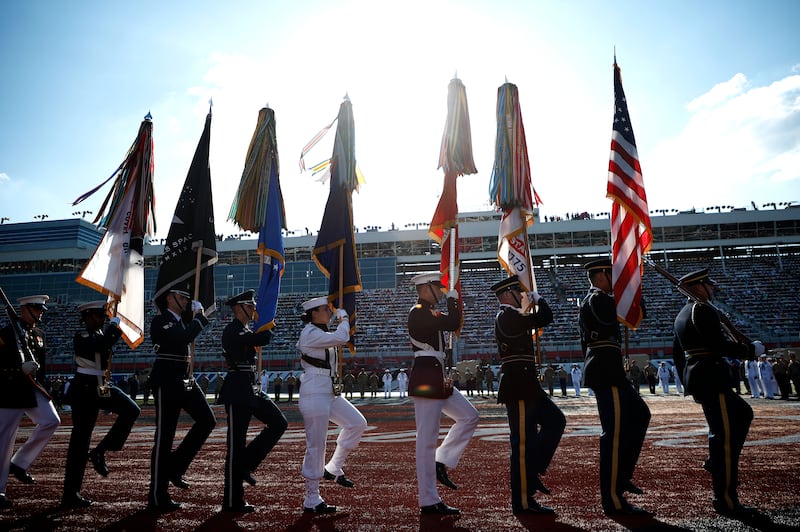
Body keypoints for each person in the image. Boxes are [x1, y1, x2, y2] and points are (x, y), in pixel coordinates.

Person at [673, 268, 766, 519]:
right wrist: (749, 352)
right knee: (723, 437)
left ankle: (717, 461)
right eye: (708, 285)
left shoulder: (683, 314)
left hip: (701, 378)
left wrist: (688, 383)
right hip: (711, 377)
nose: (712, 289)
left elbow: (677, 355)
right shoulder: (701, 310)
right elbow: (717, 345)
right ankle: (725, 499)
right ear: (698, 286)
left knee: (743, 414)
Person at [579, 259, 651, 515]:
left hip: (610, 370)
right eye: (612, 276)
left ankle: (622, 475)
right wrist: (629, 288)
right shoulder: (595, 299)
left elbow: (635, 312)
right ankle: (613, 498)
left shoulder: (601, 300)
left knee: (641, 415)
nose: (615, 281)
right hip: (605, 371)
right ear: (600, 277)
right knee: (614, 434)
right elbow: (628, 310)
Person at [491, 276, 565, 515]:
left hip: (527, 385)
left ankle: (532, 471)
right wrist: (540, 300)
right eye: (517, 292)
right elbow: (546, 317)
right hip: (519, 386)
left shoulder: (513, 317)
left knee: (556, 421)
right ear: (505, 295)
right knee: (522, 445)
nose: (522, 296)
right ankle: (522, 501)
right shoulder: (507, 316)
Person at [407, 272, 479, 515]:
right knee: (426, 441)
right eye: (438, 287)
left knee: (469, 416)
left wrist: (451, 300)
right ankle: (428, 499)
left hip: (436, 375)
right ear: (426, 288)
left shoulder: (426, 312)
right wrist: (453, 301)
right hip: (426, 376)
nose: (440, 290)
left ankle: (442, 458)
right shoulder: (418, 311)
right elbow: (451, 322)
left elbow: (450, 322)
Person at [61, 301, 141, 508]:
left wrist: (112, 328)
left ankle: (101, 450)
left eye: (102, 316)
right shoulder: (82, 337)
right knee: (80, 441)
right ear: (86, 317)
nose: (102, 319)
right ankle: (71, 493)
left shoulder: (100, 335)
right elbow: (101, 346)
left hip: (102, 386)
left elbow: (105, 345)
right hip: (85, 390)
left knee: (131, 409)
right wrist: (114, 328)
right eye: (97, 316)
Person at [147, 285, 216, 511]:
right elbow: (181, 339)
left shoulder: (180, 321)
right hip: (166, 381)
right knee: (165, 437)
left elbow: (184, 335)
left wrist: (195, 320)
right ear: (170, 298)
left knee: (208, 420)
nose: (186, 301)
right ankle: (157, 495)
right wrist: (199, 319)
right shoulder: (161, 320)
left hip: (184, 379)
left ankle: (176, 467)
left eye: (187, 298)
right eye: (182, 297)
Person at [296, 296, 367, 514]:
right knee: (316, 445)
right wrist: (343, 316)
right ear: (313, 313)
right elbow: (342, 336)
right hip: (314, 390)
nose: (329, 311)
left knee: (357, 423)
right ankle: (312, 498)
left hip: (327, 390)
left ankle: (333, 466)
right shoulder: (310, 333)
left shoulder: (320, 333)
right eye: (325, 309)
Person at [219, 290, 288, 512]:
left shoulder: (245, 330)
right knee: (236, 445)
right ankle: (232, 501)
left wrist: (264, 322)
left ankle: (246, 464)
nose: (254, 310)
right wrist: (266, 321)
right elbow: (263, 338)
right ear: (239, 307)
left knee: (279, 423)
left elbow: (259, 338)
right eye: (251, 306)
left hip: (250, 387)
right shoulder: (232, 330)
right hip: (237, 389)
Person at [0, 295, 61, 509]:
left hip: (32, 388)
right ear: (24, 309)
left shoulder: (38, 334)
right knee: (4, 441)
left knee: (51, 420)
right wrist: (18, 370)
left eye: (41, 309)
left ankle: (19, 463)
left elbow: (40, 368)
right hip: (9, 390)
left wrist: (47, 389)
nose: (41, 312)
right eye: (36, 308)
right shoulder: (7, 333)